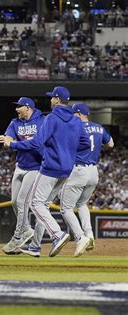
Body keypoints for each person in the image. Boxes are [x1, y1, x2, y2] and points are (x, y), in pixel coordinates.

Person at [0, 86, 90, 257]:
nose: (50, 100)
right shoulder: (76, 120)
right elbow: (85, 144)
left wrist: (13, 144)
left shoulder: (51, 118)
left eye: (51, 98)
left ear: (56, 99)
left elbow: (36, 143)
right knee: (44, 205)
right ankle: (39, 245)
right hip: (67, 168)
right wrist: (66, 149)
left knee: (35, 203)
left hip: (50, 167)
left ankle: (58, 234)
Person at [58, 103, 114, 252]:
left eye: (73, 114)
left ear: (78, 114)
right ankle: (89, 234)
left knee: (66, 208)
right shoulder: (98, 127)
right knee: (82, 204)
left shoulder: (74, 127)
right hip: (93, 171)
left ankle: (80, 237)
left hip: (78, 170)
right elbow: (111, 144)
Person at [0, 97, 45, 255]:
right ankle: (26, 229)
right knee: (14, 201)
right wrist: (9, 141)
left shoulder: (41, 121)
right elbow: (8, 139)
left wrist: (13, 143)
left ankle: (17, 236)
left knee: (22, 201)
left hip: (36, 167)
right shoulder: (15, 122)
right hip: (20, 166)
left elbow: (36, 143)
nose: (16, 109)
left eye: (19, 107)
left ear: (27, 107)